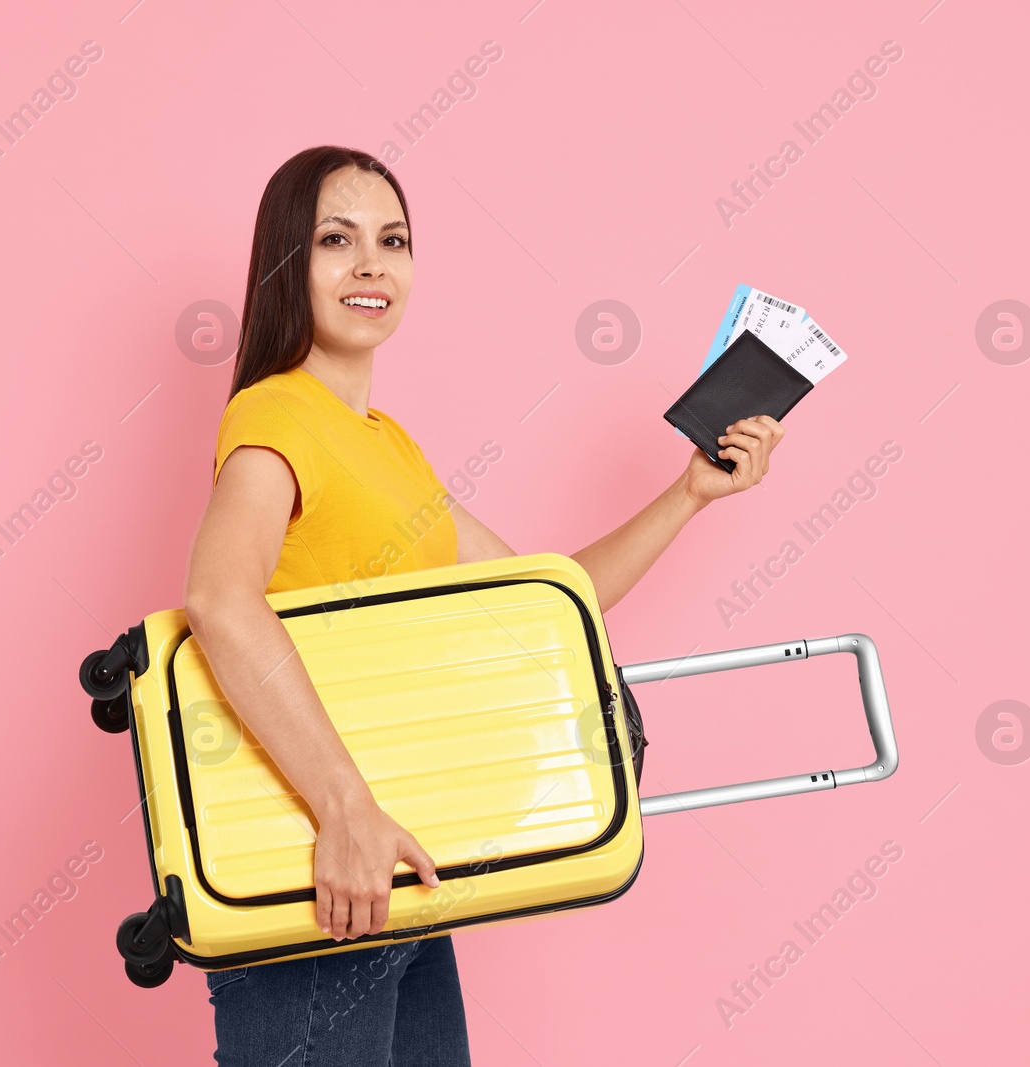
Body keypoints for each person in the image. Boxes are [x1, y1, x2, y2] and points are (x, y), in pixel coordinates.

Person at [184, 145, 785, 1066]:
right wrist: (345, 809)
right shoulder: (274, 418)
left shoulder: (390, 448)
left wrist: (690, 493)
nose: (372, 264)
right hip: (318, 862)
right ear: (284, 265)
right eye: (335, 240)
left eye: (394, 240)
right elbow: (219, 602)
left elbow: (547, 606)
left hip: (402, 856)